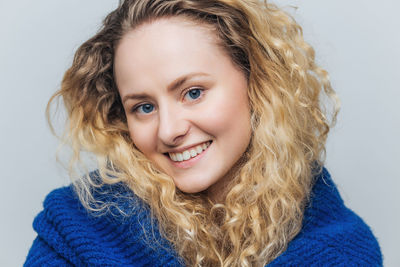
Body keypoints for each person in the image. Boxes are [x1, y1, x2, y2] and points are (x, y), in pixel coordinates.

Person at [25, 0, 382, 266]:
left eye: (193, 92)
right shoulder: (76, 228)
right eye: (143, 107)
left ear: (257, 83)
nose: (169, 130)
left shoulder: (343, 249)